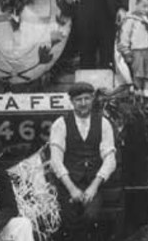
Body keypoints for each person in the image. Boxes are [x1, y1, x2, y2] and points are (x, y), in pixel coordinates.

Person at [47, 83, 117, 241]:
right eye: (79, 99)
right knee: (69, 218)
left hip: (93, 183)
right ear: (71, 101)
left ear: (92, 99)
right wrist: (72, 189)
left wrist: (93, 187)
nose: (83, 103)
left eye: (87, 98)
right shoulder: (61, 123)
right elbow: (56, 160)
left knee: (91, 216)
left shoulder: (103, 123)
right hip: (68, 183)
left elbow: (110, 159)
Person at [118, 0, 148, 98]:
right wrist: (125, 50)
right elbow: (125, 35)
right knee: (138, 72)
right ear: (137, 4)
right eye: (144, 6)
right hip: (137, 49)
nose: (146, 9)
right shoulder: (131, 19)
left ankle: (147, 91)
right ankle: (137, 91)